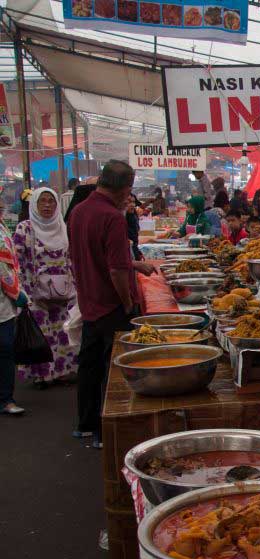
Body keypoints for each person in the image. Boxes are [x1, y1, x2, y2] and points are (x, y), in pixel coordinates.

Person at [69, 160, 155, 448]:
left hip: (89, 300)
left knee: (89, 363)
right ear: (125, 188)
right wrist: (128, 302)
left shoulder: (79, 211)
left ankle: (85, 424)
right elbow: (116, 270)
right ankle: (105, 435)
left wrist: (134, 266)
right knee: (116, 370)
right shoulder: (113, 217)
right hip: (110, 305)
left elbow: (101, 256)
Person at [13, 187, 78, 388]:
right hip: (36, 292)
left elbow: (71, 258)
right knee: (42, 333)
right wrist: (24, 290)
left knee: (63, 331)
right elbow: (17, 260)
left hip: (63, 292)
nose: (48, 205)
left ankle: (62, 372)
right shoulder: (25, 229)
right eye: (43, 201)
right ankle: (43, 375)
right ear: (34, 204)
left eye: (51, 201)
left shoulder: (62, 227)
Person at [1, 216, 29, 415]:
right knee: (4, 350)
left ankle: (5, 399)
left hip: (3, 304)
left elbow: (7, 265)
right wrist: (16, 292)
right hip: (5, 297)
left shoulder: (2, 227)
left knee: (4, 351)